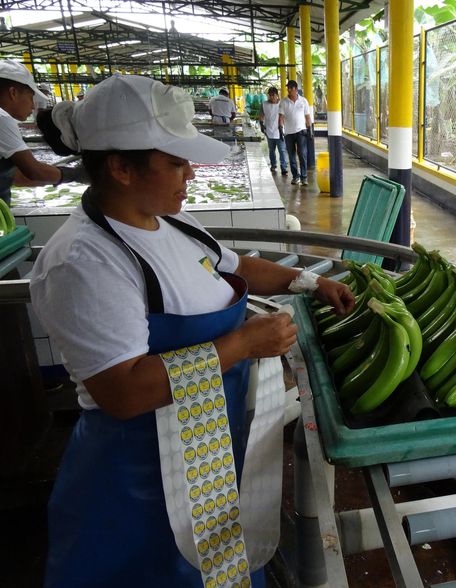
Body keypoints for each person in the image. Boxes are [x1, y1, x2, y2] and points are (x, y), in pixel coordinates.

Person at [31, 74, 354, 587]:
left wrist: (310, 282)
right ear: (120, 167)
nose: (191, 173)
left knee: (218, 565)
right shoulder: (85, 262)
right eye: (176, 162)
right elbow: (122, 391)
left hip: (207, 451)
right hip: (140, 477)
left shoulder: (172, 223)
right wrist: (244, 343)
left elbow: (237, 266)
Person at [0, 60, 86, 204]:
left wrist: (57, 174)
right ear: (13, 93)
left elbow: (18, 177)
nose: (33, 106)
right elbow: (34, 171)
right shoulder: (2, 119)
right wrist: (76, 174)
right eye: (30, 97)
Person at [278, 80, 312, 187]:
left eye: (291, 88)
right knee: (292, 156)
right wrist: (280, 128)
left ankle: (304, 177)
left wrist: (310, 129)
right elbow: (281, 117)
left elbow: (307, 116)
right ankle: (295, 176)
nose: (288, 90)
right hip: (289, 133)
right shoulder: (283, 102)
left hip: (301, 132)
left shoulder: (303, 101)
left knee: (302, 154)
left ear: (296, 89)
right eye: (288, 88)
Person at [259, 86, 288, 176]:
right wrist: (261, 125)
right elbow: (261, 115)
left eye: (273, 95)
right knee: (271, 150)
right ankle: (273, 165)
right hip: (269, 131)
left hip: (280, 131)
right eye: (270, 95)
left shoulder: (281, 104)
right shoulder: (264, 104)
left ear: (277, 95)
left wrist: (282, 128)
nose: (271, 97)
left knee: (282, 150)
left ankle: (284, 168)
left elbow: (284, 116)